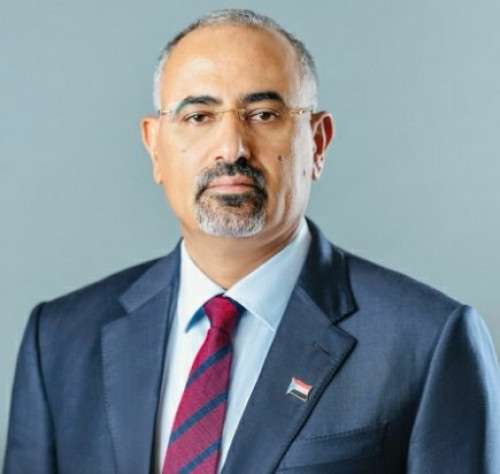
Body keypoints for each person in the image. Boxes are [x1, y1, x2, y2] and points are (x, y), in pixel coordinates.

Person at [3, 8, 499, 474]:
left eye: (263, 114)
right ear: (154, 145)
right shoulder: (61, 340)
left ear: (317, 142)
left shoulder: (427, 342)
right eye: (199, 116)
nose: (231, 148)